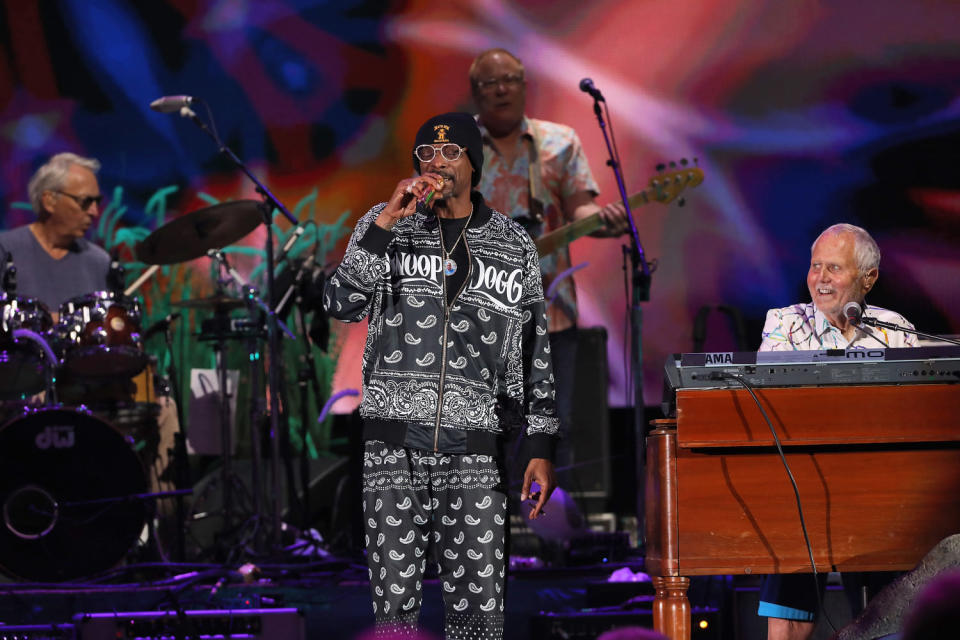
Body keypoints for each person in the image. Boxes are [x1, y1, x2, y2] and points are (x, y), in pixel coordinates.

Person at [323, 112, 558, 638]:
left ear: (473, 163)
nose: (436, 162)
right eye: (426, 153)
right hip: (391, 451)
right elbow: (339, 304)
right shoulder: (383, 227)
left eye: (450, 153)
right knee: (396, 619)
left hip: (473, 452)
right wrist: (385, 225)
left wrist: (541, 445)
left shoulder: (511, 245)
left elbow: (534, 351)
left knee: (478, 617)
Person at [469, 47, 629, 476]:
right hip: (479, 317)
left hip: (552, 313)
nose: (502, 89)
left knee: (553, 425)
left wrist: (605, 222)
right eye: (490, 83)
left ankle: (544, 533)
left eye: (511, 80)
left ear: (525, 87)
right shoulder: (457, 148)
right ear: (474, 93)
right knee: (484, 429)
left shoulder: (558, 142)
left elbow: (580, 211)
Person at [757, 223, 918, 640]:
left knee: (885, 610)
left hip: (877, 490)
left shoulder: (894, 329)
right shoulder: (784, 323)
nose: (821, 279)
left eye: (834, 268)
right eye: (815, 267)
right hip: (801, 485)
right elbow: (776, 402)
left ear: (869, 278)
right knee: (789, 602)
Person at [0, 152, 109, 314]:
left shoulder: (99, 262)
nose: (94, 212)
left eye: (97, 202)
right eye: (85, 201)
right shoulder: (5, 248)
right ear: (49, 201)